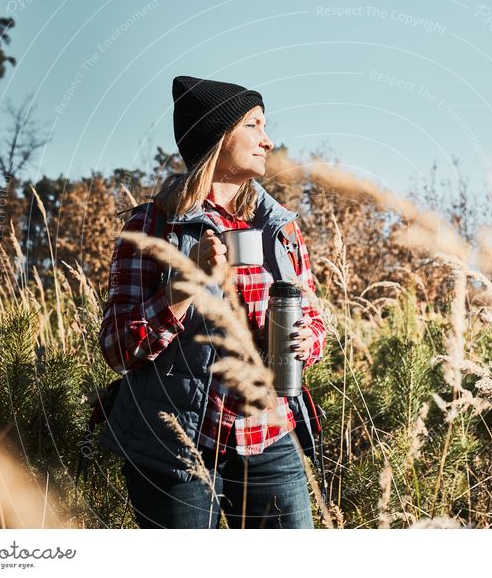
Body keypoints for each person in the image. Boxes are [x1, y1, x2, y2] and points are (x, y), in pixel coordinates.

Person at [98, 76, 326, 529]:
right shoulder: (153, 227)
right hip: (175, 446)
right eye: (254, 125)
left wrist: (307, 339)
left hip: (270, 436)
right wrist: (180, 291)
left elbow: (313, 315)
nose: (269, 139)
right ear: (217, 138)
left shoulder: (279, 227)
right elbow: (117, 349)